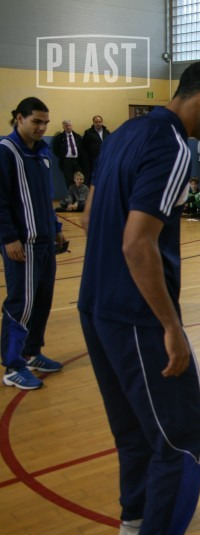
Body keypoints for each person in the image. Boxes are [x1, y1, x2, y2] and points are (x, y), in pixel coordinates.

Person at [78, 60, 200, 534]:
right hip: (137, 315)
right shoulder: (171, 145)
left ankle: (134, 523)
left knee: (136, 433)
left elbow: (89, 217)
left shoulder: (123, 133)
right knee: (187, 439)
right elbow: (137, 243)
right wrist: (171, 326)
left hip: (95, 306)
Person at [0, 96, 65, 390]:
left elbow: (45, 196)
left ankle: (32, 352)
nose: (42, 128)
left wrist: (56, 227)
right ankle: (13, 365)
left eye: (45, 123)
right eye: (36, 121)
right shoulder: (6, 151)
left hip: (45, 241)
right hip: (22, 244)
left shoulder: (43, 153)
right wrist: (9, 238)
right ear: (19, 118)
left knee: (41, 301)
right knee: (21, 304)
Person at [51, 119, 83, 188]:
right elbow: (55, 150)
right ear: (63, 127)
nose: (68, 127)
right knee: (69, 180)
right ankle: (71, 194)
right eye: (66, 126)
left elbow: (82, 149)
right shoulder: (59, 137)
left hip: (77, 161)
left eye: (69, 125)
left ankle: (79, 194)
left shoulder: (77, 136)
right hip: (66, 161)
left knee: (79, 179)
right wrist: (63, 156)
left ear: (72, 126)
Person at [82, 115, 111, 185]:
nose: (98, 123)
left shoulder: (107, 132)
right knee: (95, 177)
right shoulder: (88, 133)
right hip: (93, 159)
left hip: (105, 158)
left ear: (102, 122)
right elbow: (84, 146)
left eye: (99, 122)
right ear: (93, 123)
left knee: (105, 175)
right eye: (96, 122)